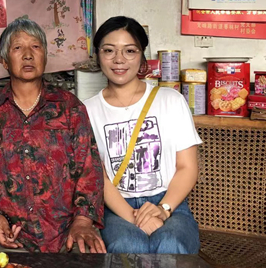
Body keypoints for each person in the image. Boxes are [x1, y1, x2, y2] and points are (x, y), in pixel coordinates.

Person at [0, 18, 106, 253]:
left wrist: (83, 222)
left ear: (45, 57)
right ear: (4, 60)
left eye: (35, 46)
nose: (28, 55)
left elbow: (89, 170)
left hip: (68, 231)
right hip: (11, 233)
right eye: (18, 47)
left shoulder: (70, 107)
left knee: (92, 259)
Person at [83, 16, 202, 254]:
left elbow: (187, 167)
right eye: (109, 50)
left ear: (141, 56)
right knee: (127, 246)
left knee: (171, 244)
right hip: (116, 206)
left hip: (169, 202)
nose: (119, 59)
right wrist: (135, 217)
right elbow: (99, 177)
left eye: (129, 50)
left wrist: (163, 210)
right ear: (97, 55)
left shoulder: (171, 100)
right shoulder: (87, 110)